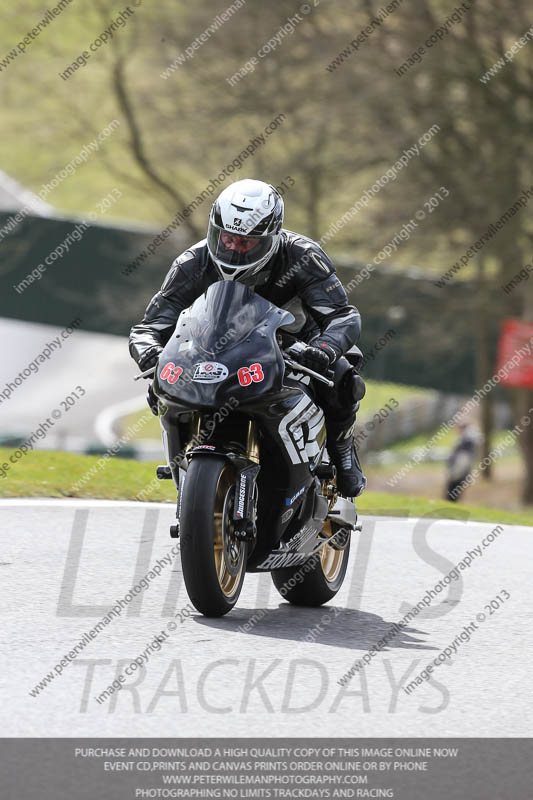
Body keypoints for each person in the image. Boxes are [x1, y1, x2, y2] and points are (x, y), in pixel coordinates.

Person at [129, 178, 366, 496]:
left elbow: (342, 315)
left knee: (342, 376)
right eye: (227, 238)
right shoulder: (192, 263)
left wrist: (323, 348)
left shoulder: (303, 256)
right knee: (160, 390)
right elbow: (149, 327)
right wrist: (151, 354)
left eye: (247, 242)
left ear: (271, 236)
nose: (234, 248)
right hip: (213, 352)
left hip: (293, 348)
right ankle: (187, 472)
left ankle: (343, 453)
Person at [445, 422, 478, 502]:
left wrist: (455, 474)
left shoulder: (467, 441)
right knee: (452, 496)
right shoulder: (465, 439)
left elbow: (464, 460)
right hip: (459, 472)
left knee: (452, 496)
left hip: (459, 473)